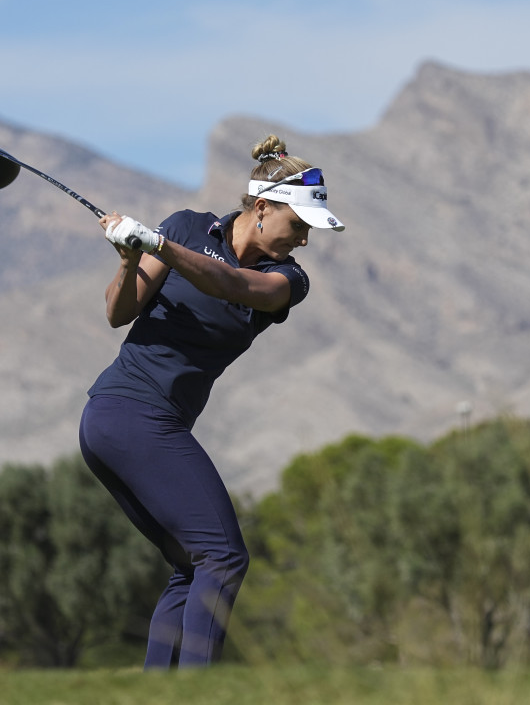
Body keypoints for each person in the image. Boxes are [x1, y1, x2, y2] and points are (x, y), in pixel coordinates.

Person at [78, 134, 345, 670]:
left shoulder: (287, 280)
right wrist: (131, 259)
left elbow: (229, 284)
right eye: (299, 226)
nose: (304, 242)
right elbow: (117, 312)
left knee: (191, 564)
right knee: (222, 557)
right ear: (264, 208)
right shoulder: (185, 226)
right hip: (125, 413)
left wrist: (154, 245)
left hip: (136, 423)